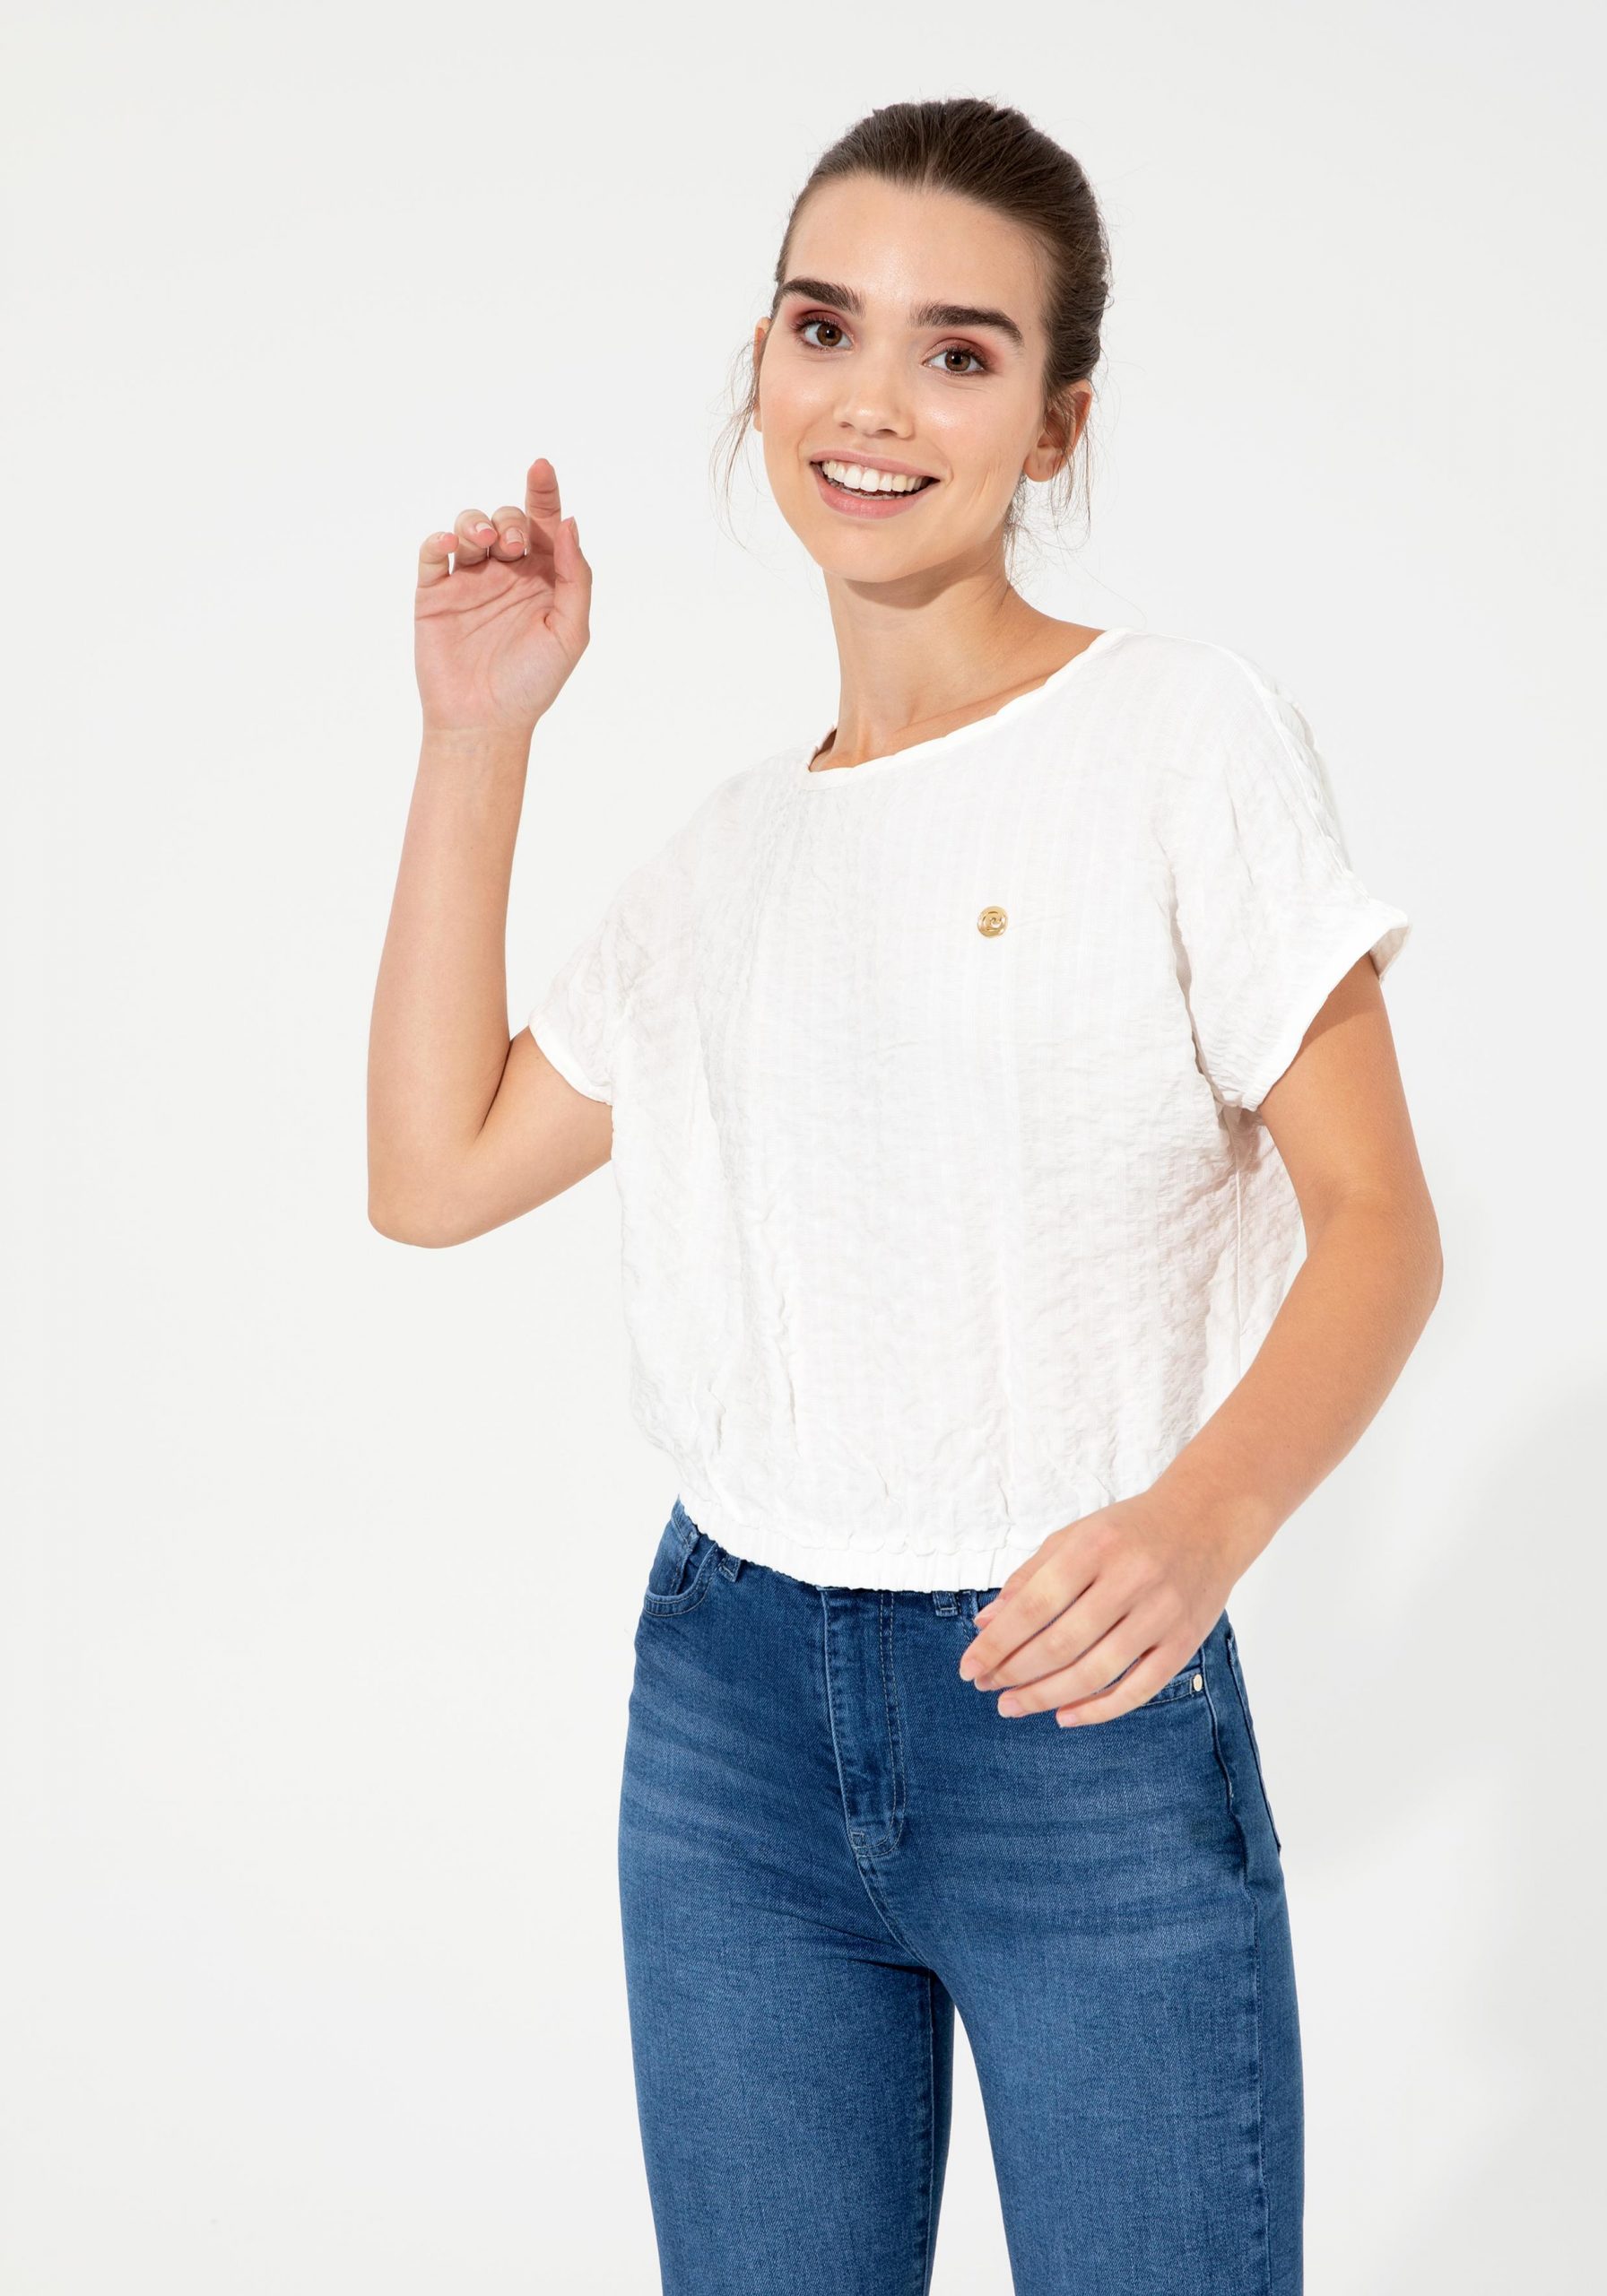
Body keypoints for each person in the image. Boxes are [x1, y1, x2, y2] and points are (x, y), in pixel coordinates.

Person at [367, 93, 1440, 2296]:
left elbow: (1378, 1220)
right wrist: (479, 734)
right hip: (729, 1719)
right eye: (822, 326)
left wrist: (1200, 1519)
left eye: (958, 352)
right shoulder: (730, 855)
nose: (870, 400)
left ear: (1055, 424)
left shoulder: (1175, 735)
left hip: (1074, 1707)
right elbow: (432, 1169)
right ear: (761, 363)